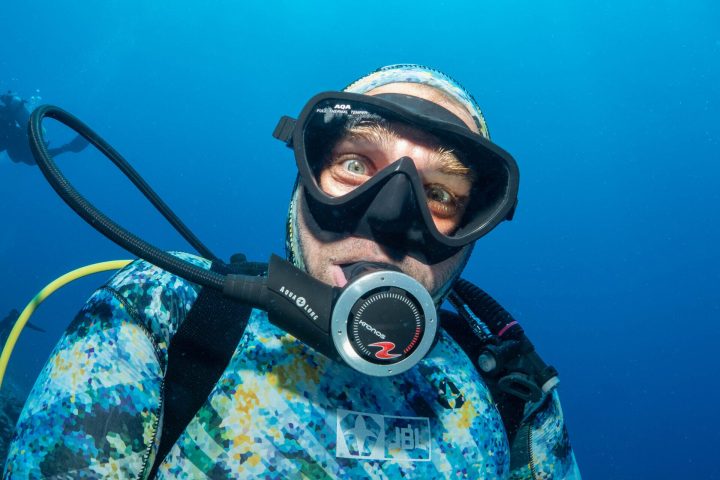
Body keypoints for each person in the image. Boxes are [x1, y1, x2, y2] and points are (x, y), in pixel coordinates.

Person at [3, 65, 581, 478]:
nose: (390, 218)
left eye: (439, 194)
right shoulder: (163, 308)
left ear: (472, 230)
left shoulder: (514, 400)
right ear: (302, 181)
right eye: (356, 165)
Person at [0, 91, 88, 165]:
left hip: (16, 136)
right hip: (17, 134)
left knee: (30, 159)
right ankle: (66, 148)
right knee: (28, 159)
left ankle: (66, 148)